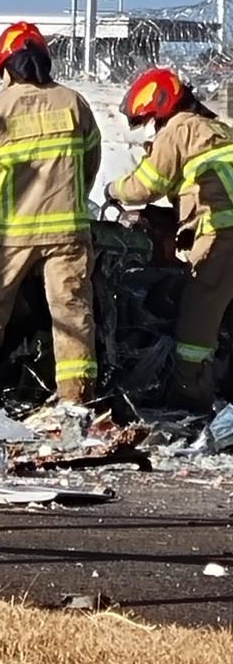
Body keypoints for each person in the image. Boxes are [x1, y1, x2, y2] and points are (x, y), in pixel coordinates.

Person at [0, 21, 101, 405]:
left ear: (4, 66)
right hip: (67, 232)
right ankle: (76, 398)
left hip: (10, 235)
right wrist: (71, 198)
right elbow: (91, 158)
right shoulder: (73, 102)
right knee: (71, 313)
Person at [106, 67, 233, 413]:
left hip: (222, 235)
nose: (152, 126)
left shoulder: (180, 128)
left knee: (197, 322)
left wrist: (111, 189)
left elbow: (146, 183)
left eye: (150, 119)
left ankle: (189, 399)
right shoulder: (216, 129)